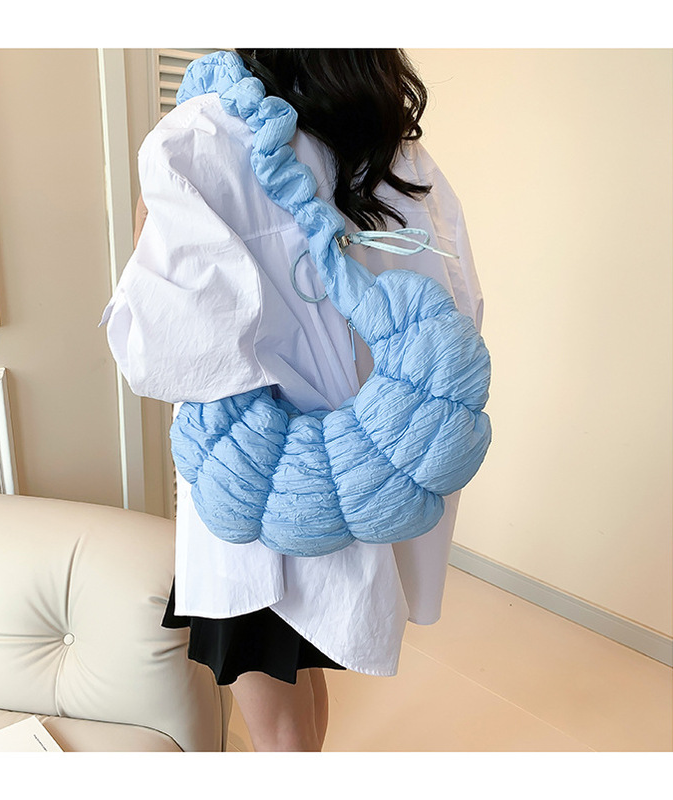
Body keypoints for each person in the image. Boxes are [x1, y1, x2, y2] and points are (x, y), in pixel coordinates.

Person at [100, 49, 484, 752]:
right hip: (358, 483)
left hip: (248, 496)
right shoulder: (394, 148)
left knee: (277, 725)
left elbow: (160, 350)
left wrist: (142, 220)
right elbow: (455, 312)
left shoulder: (198, 137)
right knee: (302, 682)